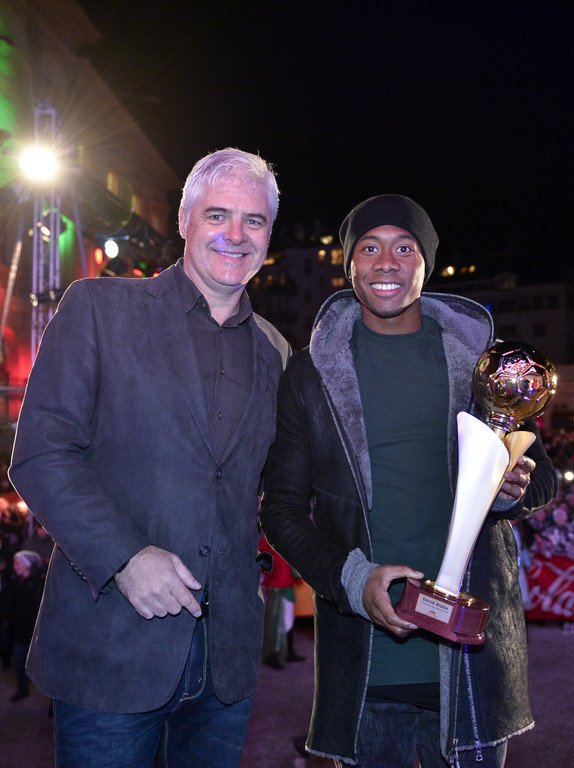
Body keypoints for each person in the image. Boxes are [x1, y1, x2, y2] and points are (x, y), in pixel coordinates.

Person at [9, 148, 290, 768]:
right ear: (185, 220)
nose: (236, 234)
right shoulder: (97, 308)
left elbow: (287, 485)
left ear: (269, 235)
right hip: (112, 646)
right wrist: (125, 557)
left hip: (226, 664)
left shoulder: (275, 351)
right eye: (217, 215)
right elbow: (41, 455)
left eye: (254, 220)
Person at [261, 194, 557, 768]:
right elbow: (281, 509)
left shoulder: (480, 362)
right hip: (368, 664)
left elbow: (541, 478)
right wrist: (352, 580)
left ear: (427, 263)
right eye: (369, 248)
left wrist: (510, 491)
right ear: (349, 265)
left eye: (404, 248)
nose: (386, 262)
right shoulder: (311, 373)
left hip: (471, 661)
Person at [6, 550, 44, 702]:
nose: (14, 566)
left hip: (36, 633)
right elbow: (8, 605)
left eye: (17, 563)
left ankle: (49, 699)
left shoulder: (39, 584)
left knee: (42, 665)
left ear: (27, 565)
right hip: (20, 631)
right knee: (19, 660)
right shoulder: (15, 582)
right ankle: (22, 689)